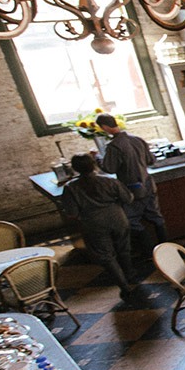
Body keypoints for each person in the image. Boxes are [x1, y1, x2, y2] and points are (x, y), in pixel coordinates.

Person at [59, 153, 140, 299]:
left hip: (93, 222)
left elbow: (71, 212)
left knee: (106, 255)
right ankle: (130, 274)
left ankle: (123, 285)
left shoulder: (71, 188)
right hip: (116, 217)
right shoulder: (109, 181)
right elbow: (128, 198)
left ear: (75, 169)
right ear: (94, 165)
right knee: (124, 248)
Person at [95, 114, 168, 258]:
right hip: (148, 184)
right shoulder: (137, 139)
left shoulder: (114, 146)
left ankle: (150, 252)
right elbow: (151, 159)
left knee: (131, 220)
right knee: (156, 217)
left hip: (132, 189)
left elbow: (109, 168)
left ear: (104, 128)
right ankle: (166, 248)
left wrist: (97, 158)